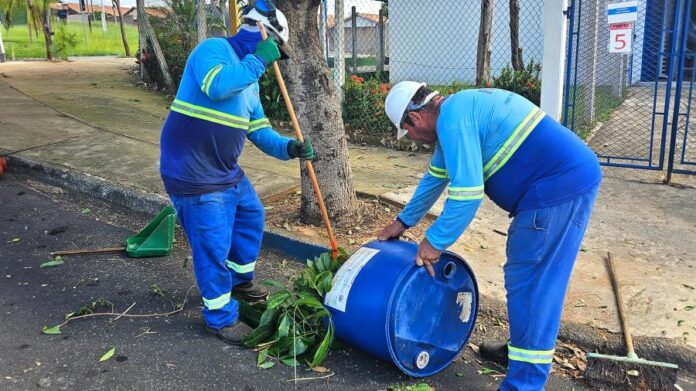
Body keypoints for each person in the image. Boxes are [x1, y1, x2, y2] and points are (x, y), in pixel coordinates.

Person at [377, 82, 601, 390]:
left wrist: (434, 242)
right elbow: (435, 178)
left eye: (408, 132)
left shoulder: (454, 121)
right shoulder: (454, 114)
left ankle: (524, 382)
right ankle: (521, 352)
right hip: (560, 182)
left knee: (533, 284)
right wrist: (403, 222)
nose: (413, 139)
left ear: (414, 120)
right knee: (528, 282)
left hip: (556, 190)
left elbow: (467, 195)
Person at [159, 1, 315, 345]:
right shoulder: (213, 51)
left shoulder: (251, 81)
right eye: (276, 48)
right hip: (193, 172)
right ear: (263, 32)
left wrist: (289, 148)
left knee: (250, 215)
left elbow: (259, 131)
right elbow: (217, 86)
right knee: (212, 243)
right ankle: (219, 316)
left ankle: (240, 283)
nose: (277, 57)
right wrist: (258, 59)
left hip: (226, 170)